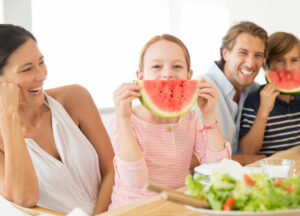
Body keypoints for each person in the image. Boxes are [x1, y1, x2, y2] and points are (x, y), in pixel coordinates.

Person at [0, 24, 114, 215]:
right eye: (27, 69)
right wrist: (8, 116)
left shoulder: (75, 98)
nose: (41, 75)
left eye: (41, 62)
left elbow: (111, 170)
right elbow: (25, 198)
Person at [109, 34, 231, 210]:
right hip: (133, 210)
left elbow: (219, 168)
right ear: (140, 76)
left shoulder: (191, 118)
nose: (167, 74)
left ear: (189, 76)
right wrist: (123, 118)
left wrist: (209, 114)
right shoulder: (123, 120)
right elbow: (135, 181)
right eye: (157, 66)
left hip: (175, 208)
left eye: (177, 66)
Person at [194, 21, 268, 165]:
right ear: (225, 53)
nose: (251, 63)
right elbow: (189, 161)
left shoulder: (255, 91)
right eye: (243, 53)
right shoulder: (201, 91)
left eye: (258, 55)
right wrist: (247, 160)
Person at [240, 32, 300, 156]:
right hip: (269, 172)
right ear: (266, 65)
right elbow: (248, 151)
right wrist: (264, 110)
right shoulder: (253, 100)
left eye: (294, 60)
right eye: (280, 60)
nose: (288, 68)